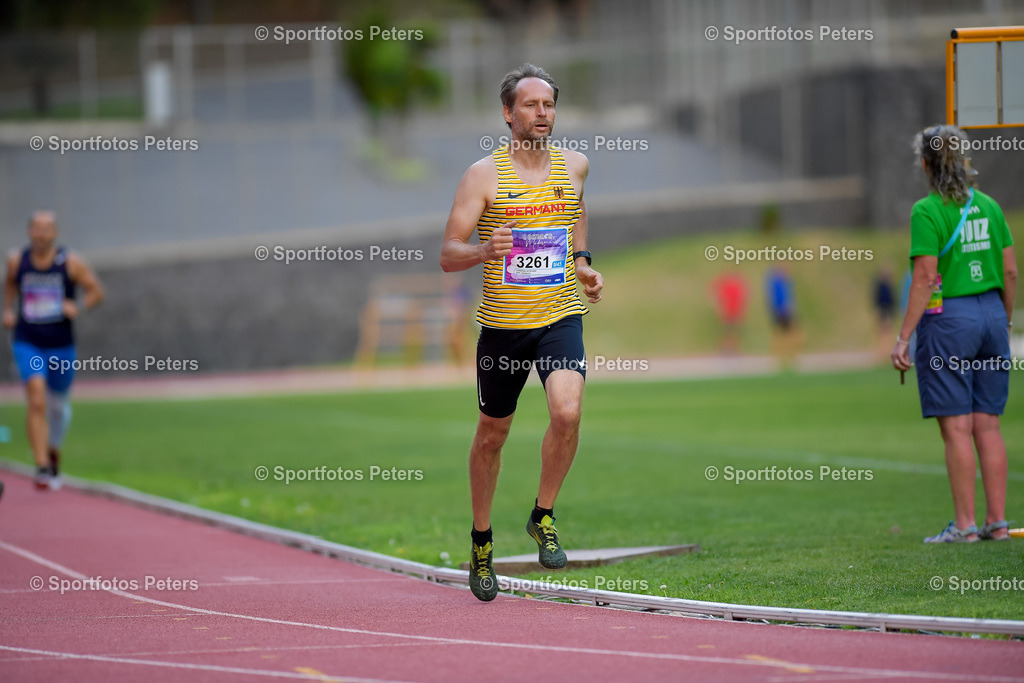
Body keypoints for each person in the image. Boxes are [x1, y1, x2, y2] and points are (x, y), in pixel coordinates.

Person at [440, 63, 603, 601]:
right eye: (531, 105)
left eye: (549, 105)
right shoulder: (481, 176)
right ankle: (481, 541)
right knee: (492, 435)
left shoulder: (574, 166)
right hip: (504, 328)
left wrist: (580, 261)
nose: (542, 113)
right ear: (507, 113)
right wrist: (485, 250)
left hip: (559, 315)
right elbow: (448, 253)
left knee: (568, 412)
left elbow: (574, 213)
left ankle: (543, 513)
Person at [891, 125, 1015, 543]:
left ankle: (964, 525)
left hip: (950, 322)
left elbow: (925, 277)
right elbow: (1011, 271)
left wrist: (903, 337)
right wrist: (1004, 317)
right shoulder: (991, 207)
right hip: (993, 316)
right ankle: (997, 523)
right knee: (989, 425)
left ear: (925, 164)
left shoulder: (926, 211)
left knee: (957, 428)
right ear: (964, 162)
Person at [3, 211, 104, 490]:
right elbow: (10, 283)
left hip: (60, 344)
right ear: (29, 231)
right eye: (37, 228)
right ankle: (42, 466)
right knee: (36, 399)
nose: (42, 233)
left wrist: (79, 306)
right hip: (27, 340)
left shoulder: (70, 262)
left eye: (48, 229)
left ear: (55, 232)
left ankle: (54, 449)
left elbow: (96, 291)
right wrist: (8, 310)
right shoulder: (17, 260)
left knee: (57, 406)